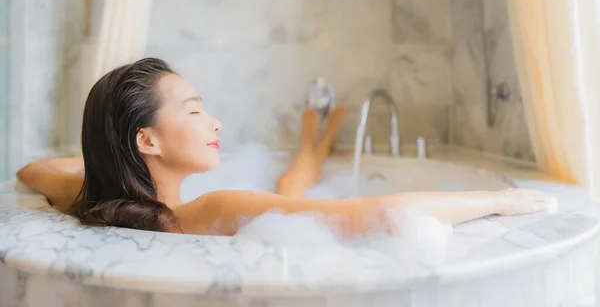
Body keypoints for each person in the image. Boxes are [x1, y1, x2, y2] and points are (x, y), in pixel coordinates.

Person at [16, 58, 553, 236]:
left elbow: (32, 169)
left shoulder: (84, 196)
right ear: (147, 139)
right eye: (196, 109)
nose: (215, 121)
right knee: (291, 192)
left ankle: (311, 139)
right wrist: (502, 200)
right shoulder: (207, 211)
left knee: (290, 187)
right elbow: (376, 213)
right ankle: (311, 140)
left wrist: (110, 156)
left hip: (128, 164)